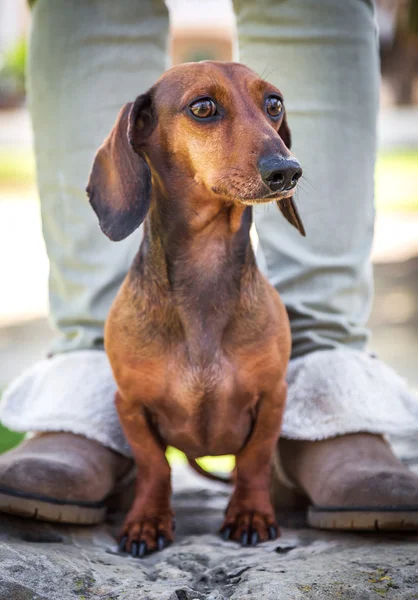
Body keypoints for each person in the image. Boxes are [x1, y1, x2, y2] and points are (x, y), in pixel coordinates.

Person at [1, 0, 418, 530]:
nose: (274, 152)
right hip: (144, 311)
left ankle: (327, 386)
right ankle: (86, 392)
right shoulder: (141, 138)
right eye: (205, 111)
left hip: (252, 339)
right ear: (145, 135)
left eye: (270, 108)